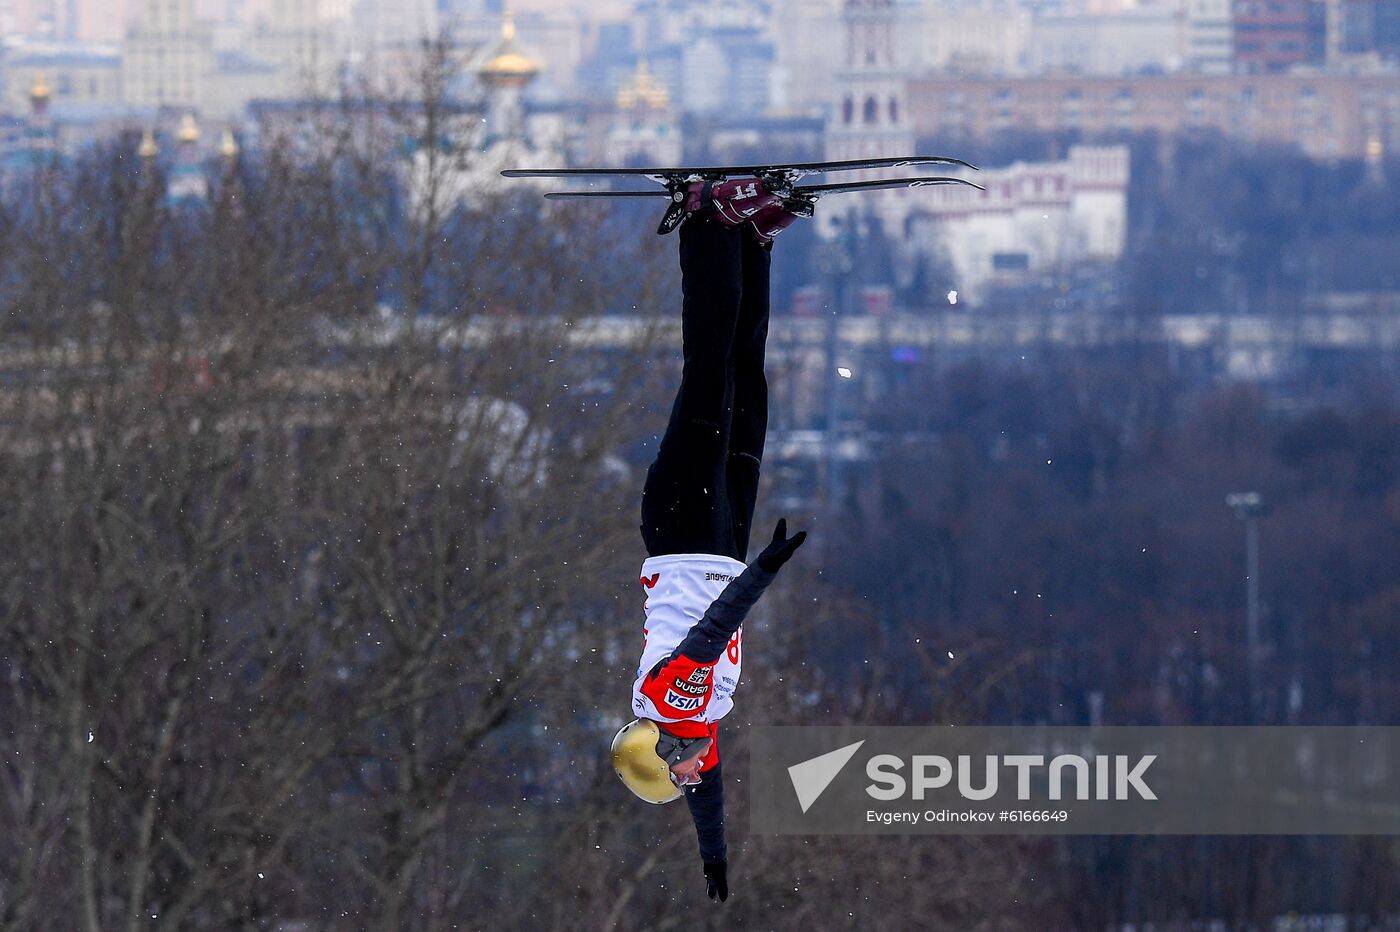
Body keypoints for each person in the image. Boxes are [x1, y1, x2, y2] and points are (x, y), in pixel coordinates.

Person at [610, 178, 806, 904]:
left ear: (668, 748)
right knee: (748, 386)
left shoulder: (676, 701)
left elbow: (715, 626)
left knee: (710, 369)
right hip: (719, 541)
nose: (697, 774)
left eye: (681, 772)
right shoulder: (700, 727)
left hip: (685, 526)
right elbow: (709, 792)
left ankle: (705, 220)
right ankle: (752, 240)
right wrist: (713, 857)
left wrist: (769, 569)